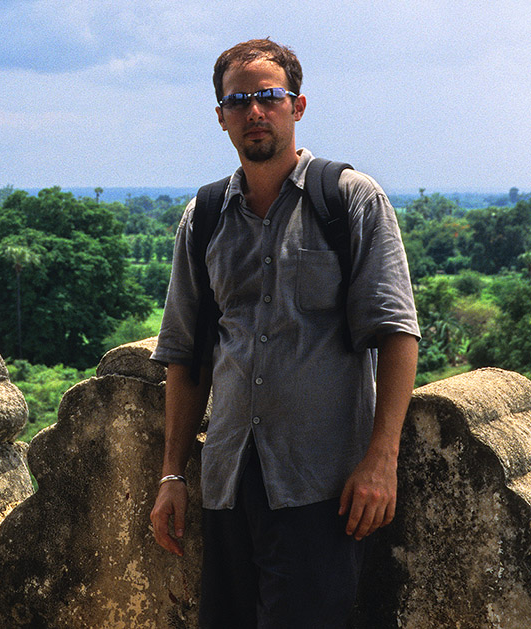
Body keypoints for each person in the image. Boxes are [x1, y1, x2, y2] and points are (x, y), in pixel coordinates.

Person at [149, 38, 420, 627]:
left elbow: (397, 333)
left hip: (320, 487)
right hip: (228, 481)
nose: (255, 111)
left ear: (297, 106)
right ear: (220, 116)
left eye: (269, 97)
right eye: (238, 100)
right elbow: (186, 355)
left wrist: (382, 460)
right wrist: (173, 474)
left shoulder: (348, 200)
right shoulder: (204, 218)